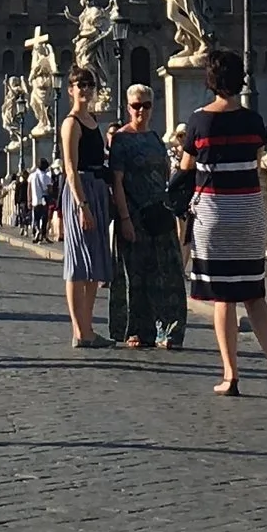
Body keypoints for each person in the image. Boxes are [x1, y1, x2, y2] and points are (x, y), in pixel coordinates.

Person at [185, 48, 267, 400]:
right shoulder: (253, 121)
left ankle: (231, 375)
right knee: (254, 294)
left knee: (223, 299)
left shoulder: (198, 122)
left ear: (210, 81)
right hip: (248, 212)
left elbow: (185, 167)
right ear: (240, 80)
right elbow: (256, 159)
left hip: (214, 215)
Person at [107, 84, 186, 351]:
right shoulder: (120, 139)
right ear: (128, 107)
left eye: (146, 105)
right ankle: (139, 330)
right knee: (137, 275)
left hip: (160, 213)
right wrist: (125, 218)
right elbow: (117, 182)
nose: (141, 110)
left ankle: (171, 330)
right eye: (136, 106)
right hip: (134, 215)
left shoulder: (155, 139)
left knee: (168, 273)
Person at [58, 68, 114, 348]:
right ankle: (78, 330)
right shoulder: (71, 123)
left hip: (97, 191)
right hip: (81, 193)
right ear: (70, 90)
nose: (86, 89)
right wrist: (83, 206)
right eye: (80, 85)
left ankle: (88, 327)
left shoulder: (92, 120)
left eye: (89, 85)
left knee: (95, 263)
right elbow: (70, 168)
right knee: (78, 263)